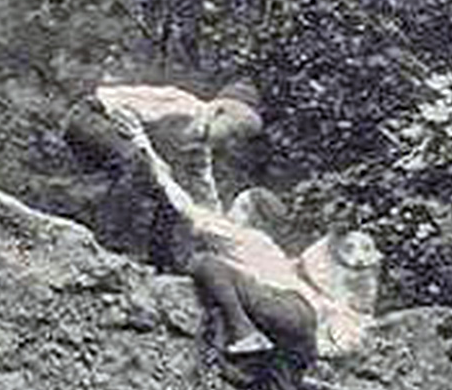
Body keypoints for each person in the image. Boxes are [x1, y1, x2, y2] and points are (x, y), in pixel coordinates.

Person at [104, 100, 370, 360]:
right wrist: (203, 158)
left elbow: (185, 205)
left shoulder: (241, 237)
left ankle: (241, 332)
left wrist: (144, 147)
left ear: (251, 217)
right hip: (303, 317)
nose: (232, 209)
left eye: (240, 206)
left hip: (281, 310)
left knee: (204, 263)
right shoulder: (267, 247)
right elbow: (209, 201)